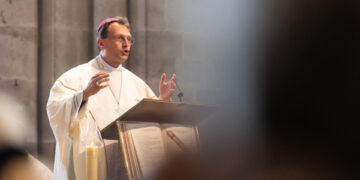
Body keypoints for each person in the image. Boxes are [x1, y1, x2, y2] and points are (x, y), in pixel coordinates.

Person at [47, 16, 176, 180]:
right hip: (94, 164)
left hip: (127, 163)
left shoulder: (137, 83)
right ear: (101, 43)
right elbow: (55, 109)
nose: (126, 43)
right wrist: (84, 94)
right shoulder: (74, 77)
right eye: (120, 38)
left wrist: (162, 100)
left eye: (129, 39)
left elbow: (150, 119)